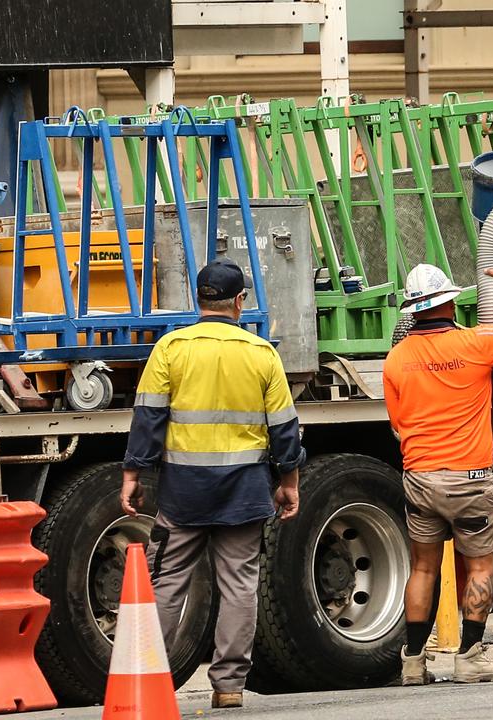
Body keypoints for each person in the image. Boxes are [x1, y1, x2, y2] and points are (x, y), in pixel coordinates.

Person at [121, 257, 304, 709]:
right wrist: (290, 483)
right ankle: (228, 686)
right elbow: (284, 429)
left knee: (167, 584)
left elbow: (148, 417)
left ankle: (146, 677)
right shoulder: (261, 353)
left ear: (198, 299)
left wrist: (132, 474)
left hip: (183, 491)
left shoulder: (171, 348)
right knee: (240, 584)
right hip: (243, 492)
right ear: (240, 301)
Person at [383, 251, 493, 686]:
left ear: (413, 310)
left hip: (420, 477)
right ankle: (470, 657)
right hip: (469, 478)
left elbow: (398, 423)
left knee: (423, 569)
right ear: (449, 303)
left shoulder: (396, 359)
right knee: (480, 569)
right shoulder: (473, 344)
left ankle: (413, 662)